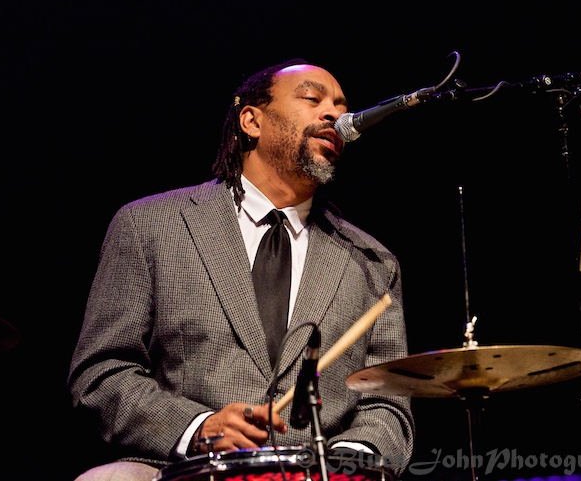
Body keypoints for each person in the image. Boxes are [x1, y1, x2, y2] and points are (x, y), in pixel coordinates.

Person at [67, 58, 415, 481]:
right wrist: (197, 428)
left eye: (342, 107)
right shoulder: (149, 226)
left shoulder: (372, 260)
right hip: (181, 468)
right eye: (313, 98)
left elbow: (387, 404)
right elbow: (102, 374)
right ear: (251, 120)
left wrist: (345, 460)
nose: (335, 115)